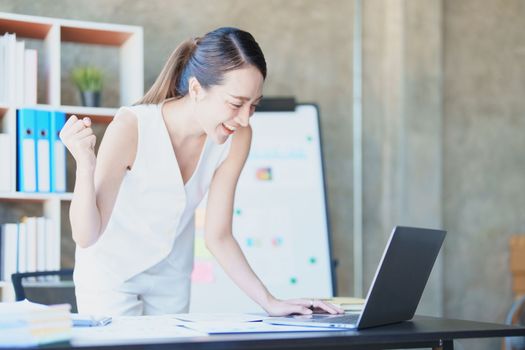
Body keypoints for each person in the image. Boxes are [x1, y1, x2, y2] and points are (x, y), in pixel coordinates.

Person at [60, 27, 344, 317]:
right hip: (111, 276)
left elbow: (218, 235)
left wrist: (269, 301)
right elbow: (86, 235)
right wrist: (85, 164)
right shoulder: (132, 127)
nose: (245, 118)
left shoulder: (238, 136)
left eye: (253, 105)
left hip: (171, 278)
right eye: (236, 103)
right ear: (196, 89)